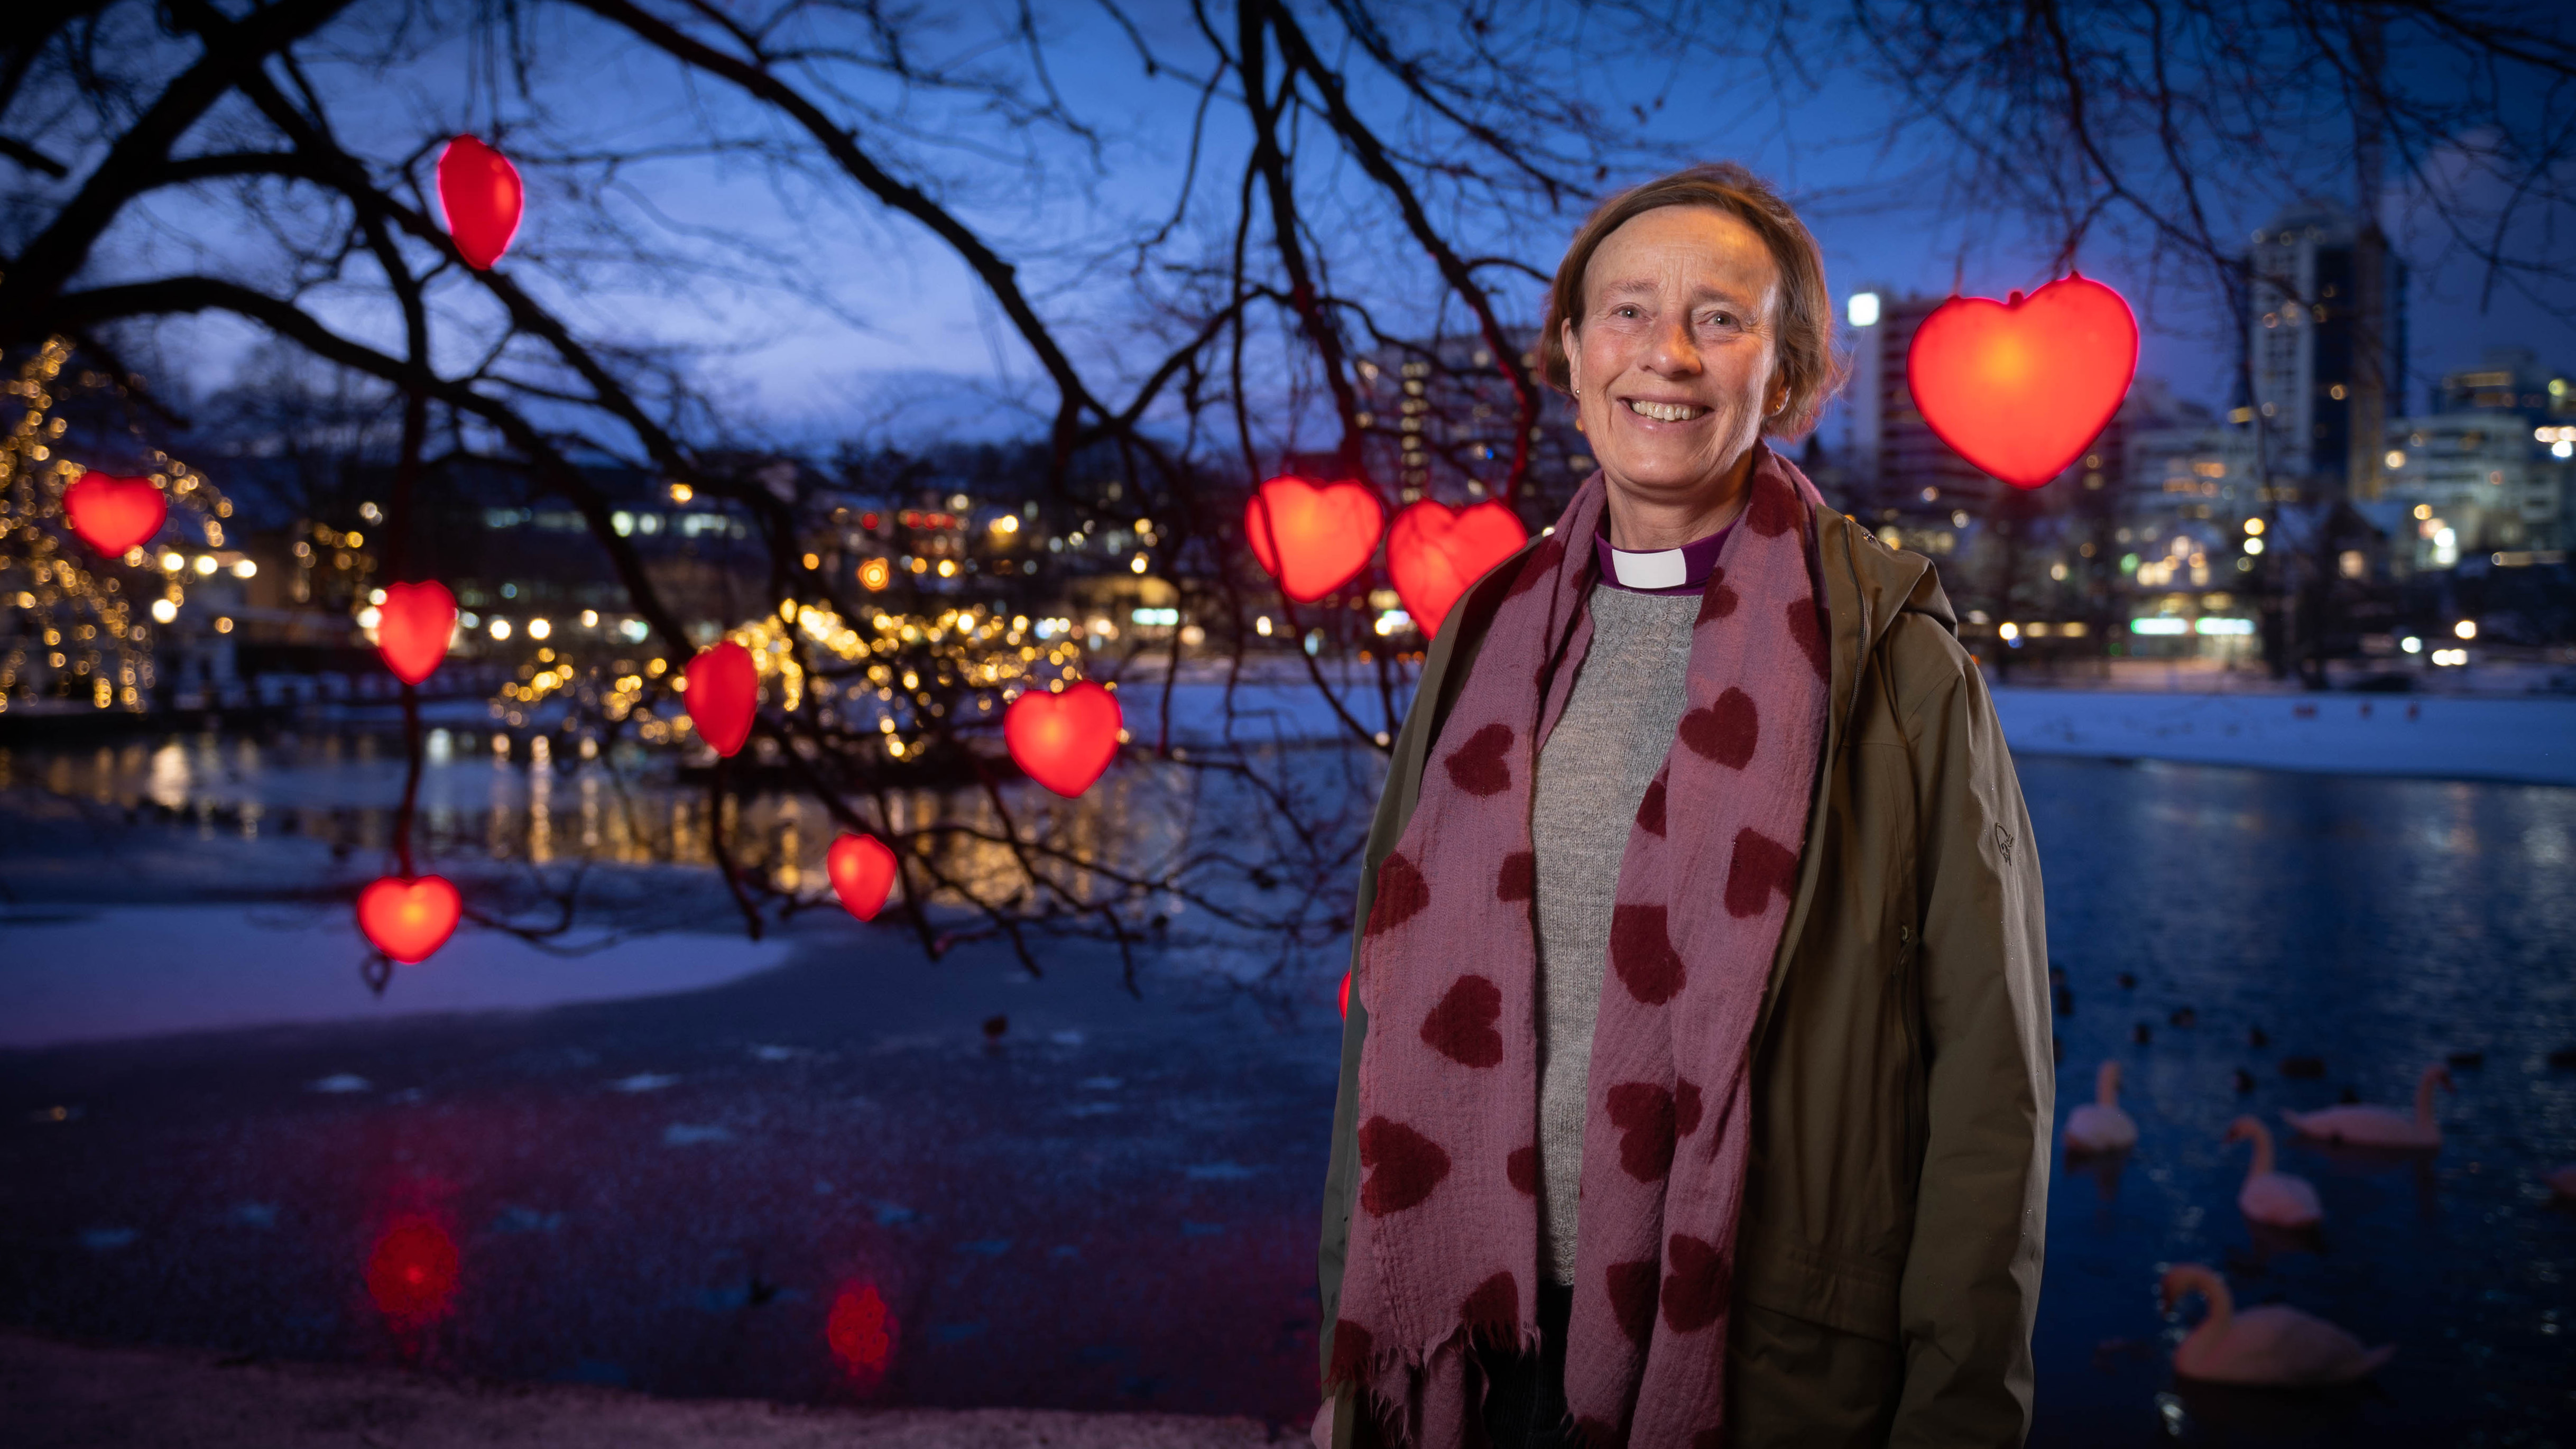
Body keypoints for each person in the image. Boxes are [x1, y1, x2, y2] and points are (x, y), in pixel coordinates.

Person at [1310, 162, 2051, 1448]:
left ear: (1791, 374)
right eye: (1627, 311)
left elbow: (1991, 1082)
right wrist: (1350, 1330)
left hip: (1759, 1361)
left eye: (1720, 317)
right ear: (1571, 349)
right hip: (1475, 1358)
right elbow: (1383, 1015)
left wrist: (1957, 1420)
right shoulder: (1484, 636)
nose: (1668, 353)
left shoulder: (1894, 663)